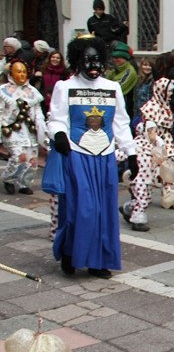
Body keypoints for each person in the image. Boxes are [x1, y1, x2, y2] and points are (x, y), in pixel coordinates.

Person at [48, 36, 136, 278]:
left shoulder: (113, 87)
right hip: (77, 155)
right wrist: (59, 135)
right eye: (87, 60)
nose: (93, 65)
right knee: (81, 209)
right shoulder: (64, 87)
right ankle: (70, 253)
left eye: (97, 59)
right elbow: (56, 118)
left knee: (104, 210)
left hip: (105, 156)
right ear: (78, 61)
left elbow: (121, 122)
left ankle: (99, 261)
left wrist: (132, 153)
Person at [119, 77, 174, 232]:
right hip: (141, 170)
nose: (171, 93)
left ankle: (130, 209)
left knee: (149, 194)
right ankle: (138, 218)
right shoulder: (150, 108)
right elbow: (126, 150)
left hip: (156, 157)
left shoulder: (165, 106)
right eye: (169, 90)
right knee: (142, 196)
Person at [1, 60, 47, 195]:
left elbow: (38, 111)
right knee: (18, 156)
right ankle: (8, 179)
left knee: (32, 160)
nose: (21, 75)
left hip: (29, 130)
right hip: (11, 129)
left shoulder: (33, 91)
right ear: (11, 73)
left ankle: (24, 183)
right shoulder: (3, 91)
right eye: (18, 71)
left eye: (24, 72)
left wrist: (41, 126)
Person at [105, 42, 137, 116]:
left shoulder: (130, 72)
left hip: (124, 108)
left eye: (117, 58)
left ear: (124, 58)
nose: (114, 60)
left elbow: (117, 87)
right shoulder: (115, 70)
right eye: (113, 57)